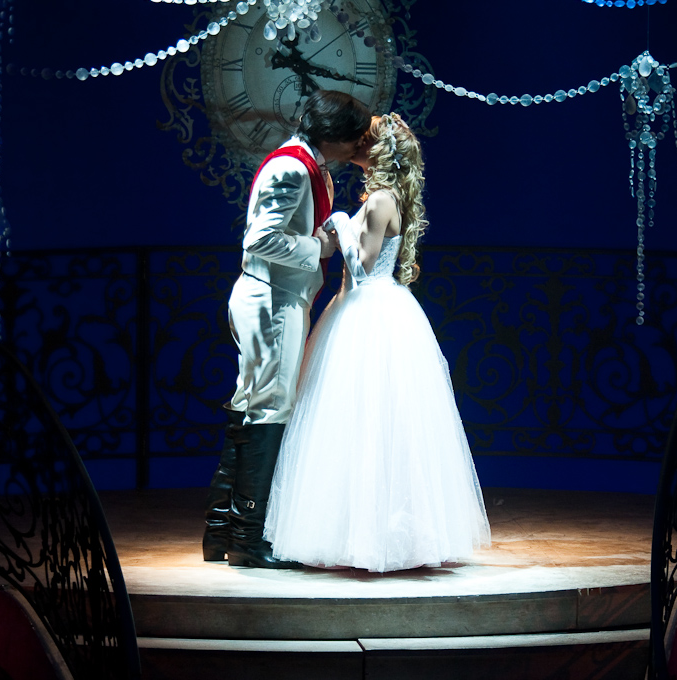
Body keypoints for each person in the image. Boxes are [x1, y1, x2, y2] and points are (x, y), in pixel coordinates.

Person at [263, 113, 491, 573]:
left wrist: (339, 224)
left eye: (364, 141)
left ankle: (382, 538)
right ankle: (349, 532)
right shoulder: (380, 196)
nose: (356, 146)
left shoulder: (384, 199)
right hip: (358, 305)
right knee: (350, 422)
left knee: (374, 420)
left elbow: (363, 265)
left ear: (378, 152)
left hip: (371, 309)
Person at [202, 89, 372, 569]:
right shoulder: (292, 168)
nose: (357, 147)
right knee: (269, 411)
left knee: (251, 407)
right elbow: (260, 238)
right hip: (272, 300)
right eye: (354, 138)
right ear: (333, 135)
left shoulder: (309, 166)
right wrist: (319, 247)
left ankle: (222, 530)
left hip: (277, 298)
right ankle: (247, 538)